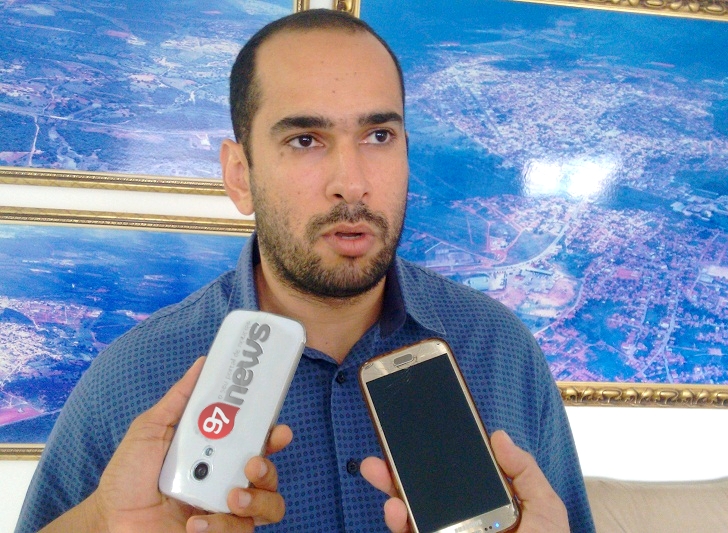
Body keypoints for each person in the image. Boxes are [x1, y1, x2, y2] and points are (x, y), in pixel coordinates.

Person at [15, 9, 595, 533]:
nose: (352, 182)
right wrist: (103, 525)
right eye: (305, 139)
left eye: (378, 136)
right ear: (240, 175)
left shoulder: (501, 351)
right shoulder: (134, 379)